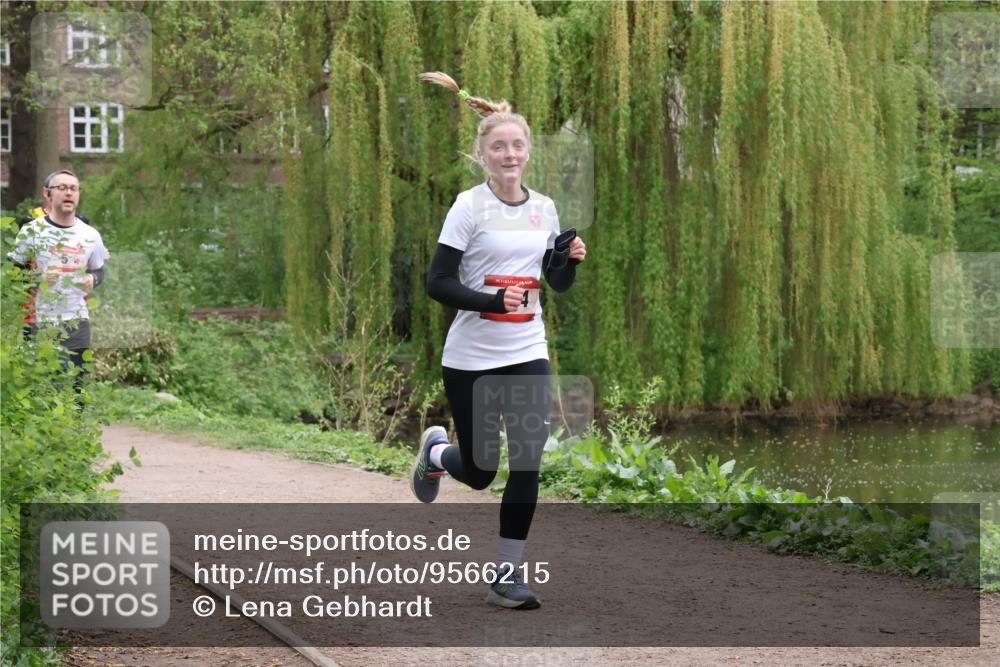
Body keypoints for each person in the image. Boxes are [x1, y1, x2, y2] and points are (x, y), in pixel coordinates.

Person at [411, 72, 587, 610]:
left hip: (527, 349)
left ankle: (507, 576)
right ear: (482, 154)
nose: (509, 154)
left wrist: (567, 260)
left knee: (529, 462)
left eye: (517, 145)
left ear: (528, 151)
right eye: (498, 147)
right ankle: (437, 452)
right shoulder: (468, 207)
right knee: (484, 472)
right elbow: (437, 282)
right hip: (472, 356)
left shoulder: (546, 208)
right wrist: (491, 302)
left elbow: (553, 284)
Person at [8, 169, 108, 377]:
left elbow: (99, 270)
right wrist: (38, 279)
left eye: (73, 188)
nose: (69, 193)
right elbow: (10, 274)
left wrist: (93, 278)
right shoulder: (31, 230)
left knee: (78, 384)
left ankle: (77, 410)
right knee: (45, 381)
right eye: (62, 188)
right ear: (48, 194)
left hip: (77, 318)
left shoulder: (90, 234)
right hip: (39, 318)